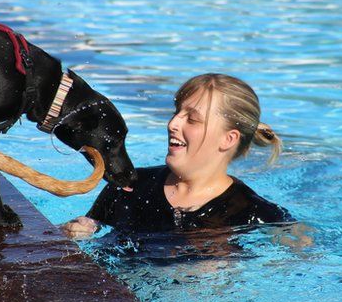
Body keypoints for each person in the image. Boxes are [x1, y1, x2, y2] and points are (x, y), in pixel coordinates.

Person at [62, 73, 292, 238]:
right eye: (176, 112)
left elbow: (305, 249)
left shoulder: (251, 213)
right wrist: (75, 231)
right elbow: (91, 234)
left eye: (192, 119)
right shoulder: (128, 188)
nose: (173, 123)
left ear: (228, 139)